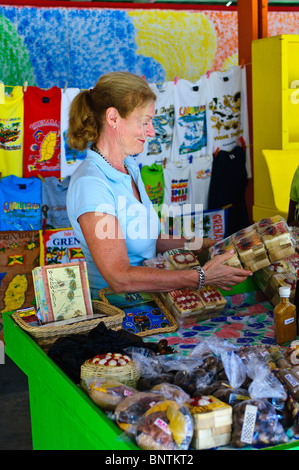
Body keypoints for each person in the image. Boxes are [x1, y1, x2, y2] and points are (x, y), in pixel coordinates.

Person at [66, 71, 252, 299]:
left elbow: (145, 239)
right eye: (145, 122)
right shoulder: (92, 185)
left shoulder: (129, 168)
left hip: (149, 305)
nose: (152, 131)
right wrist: (201, 277)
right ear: (113, 118)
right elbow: (119, 276)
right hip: (116, 313)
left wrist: (200, 244)